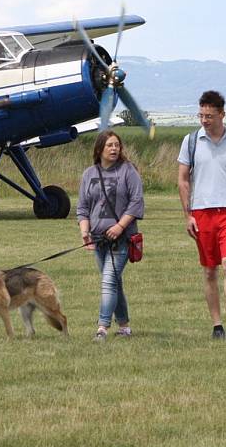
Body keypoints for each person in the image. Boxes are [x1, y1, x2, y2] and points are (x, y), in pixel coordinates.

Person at [178, 90, 226, 342]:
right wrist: (187, 214)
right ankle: (217, 325)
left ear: (222, 114)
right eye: (201, 115)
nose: (204, 120)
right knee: (210, 270)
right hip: (202, 213)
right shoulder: (190, 142)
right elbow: (182, 180)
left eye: (209, 116)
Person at [77, 130, 145, 342]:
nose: (114, 149)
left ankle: (102, 328)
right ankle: (124, 326)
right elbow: (83, 207)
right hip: (98, 239)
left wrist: (120, 226)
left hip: (121, 239)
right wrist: (85, 232)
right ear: (99, 149)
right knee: (114, 282)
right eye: (110, 145)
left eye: (117, 145)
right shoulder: (89, 174)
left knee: (108, 282)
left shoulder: (128, 171)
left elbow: (136, 202)